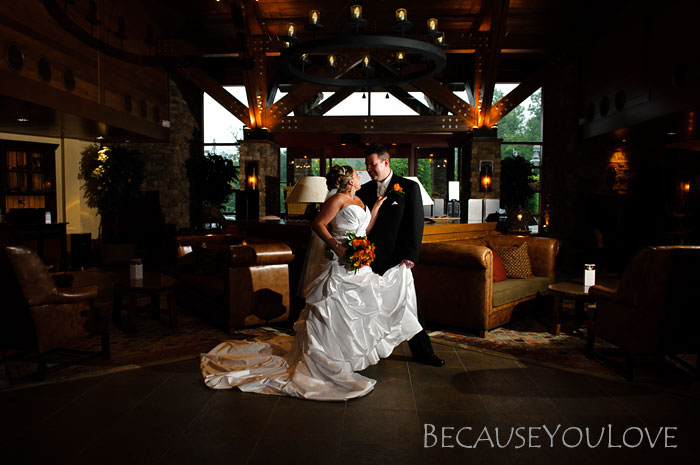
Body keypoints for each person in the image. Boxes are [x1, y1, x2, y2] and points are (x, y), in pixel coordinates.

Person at [200, 165, 423, 401]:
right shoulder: (336, 200)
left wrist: (375, 208)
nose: (360, 177)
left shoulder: (358, 200)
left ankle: (343, 357)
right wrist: (336, 246)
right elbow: (317, 224)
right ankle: (324, 360)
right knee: (330, 309)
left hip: (360, 263)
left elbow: (363, 230)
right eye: (357, 175)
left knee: (363, 308)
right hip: (340, 265)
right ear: (349, 181)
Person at [357, 145, 445, 367]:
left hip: (398, 260)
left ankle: (424, 353)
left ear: (386, 163)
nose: (368, 169)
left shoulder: (409, 187)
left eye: (372, 164)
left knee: (410, 306)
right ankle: (367, 353)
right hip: (369, 260)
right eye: (367, 164)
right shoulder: (364, 191)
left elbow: (416, 224)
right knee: (368, 306)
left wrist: (411, 254)